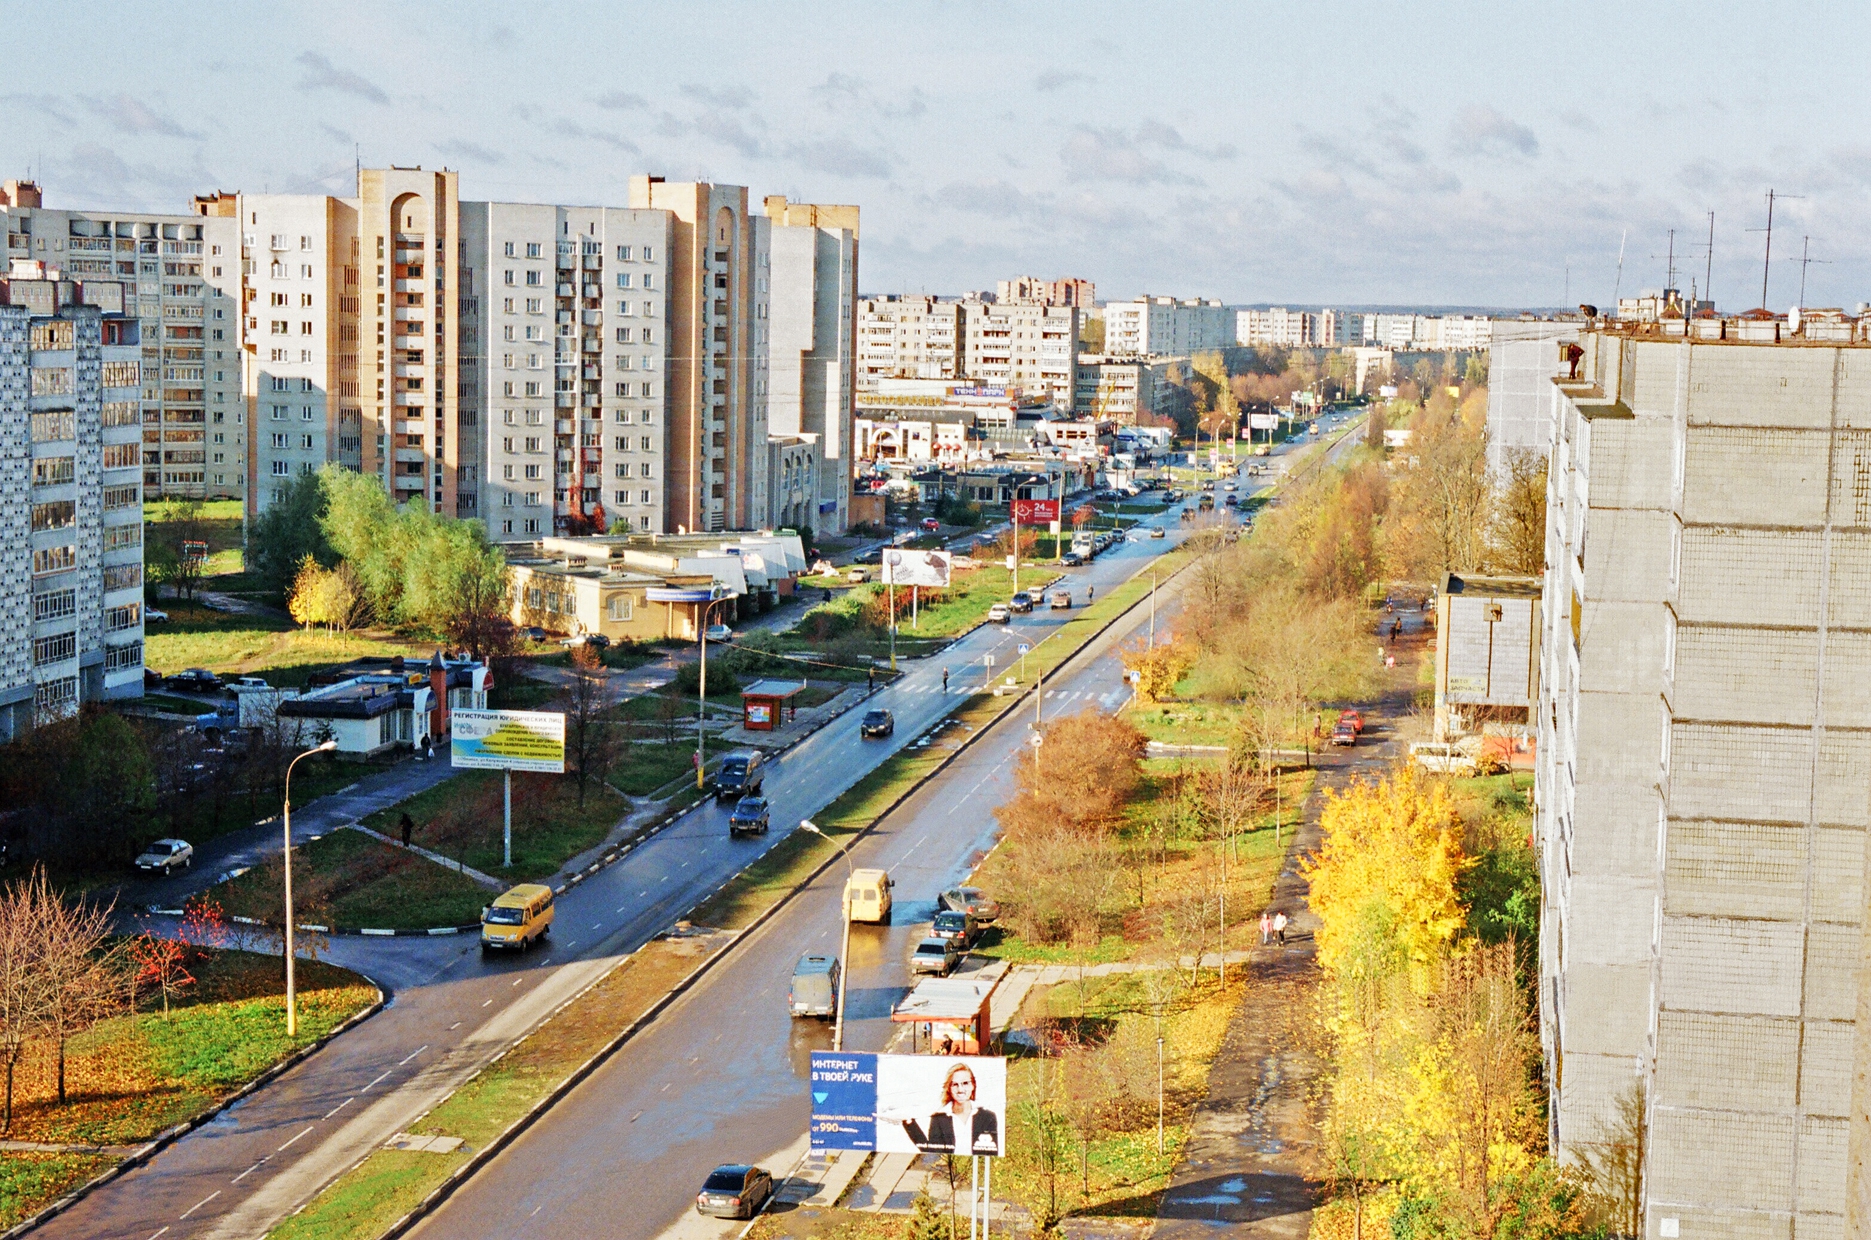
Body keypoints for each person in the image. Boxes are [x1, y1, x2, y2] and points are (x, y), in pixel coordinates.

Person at [903, 1062, 1000, 1156]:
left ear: (973, 1086)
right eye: (955, 1084)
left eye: (965, 1083)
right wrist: (910, 1125)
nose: (960, 1089)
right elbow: (933, 1151)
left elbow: (991, 1153)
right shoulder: (939, 1119)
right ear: (949, 1088)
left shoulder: (987, 1117)